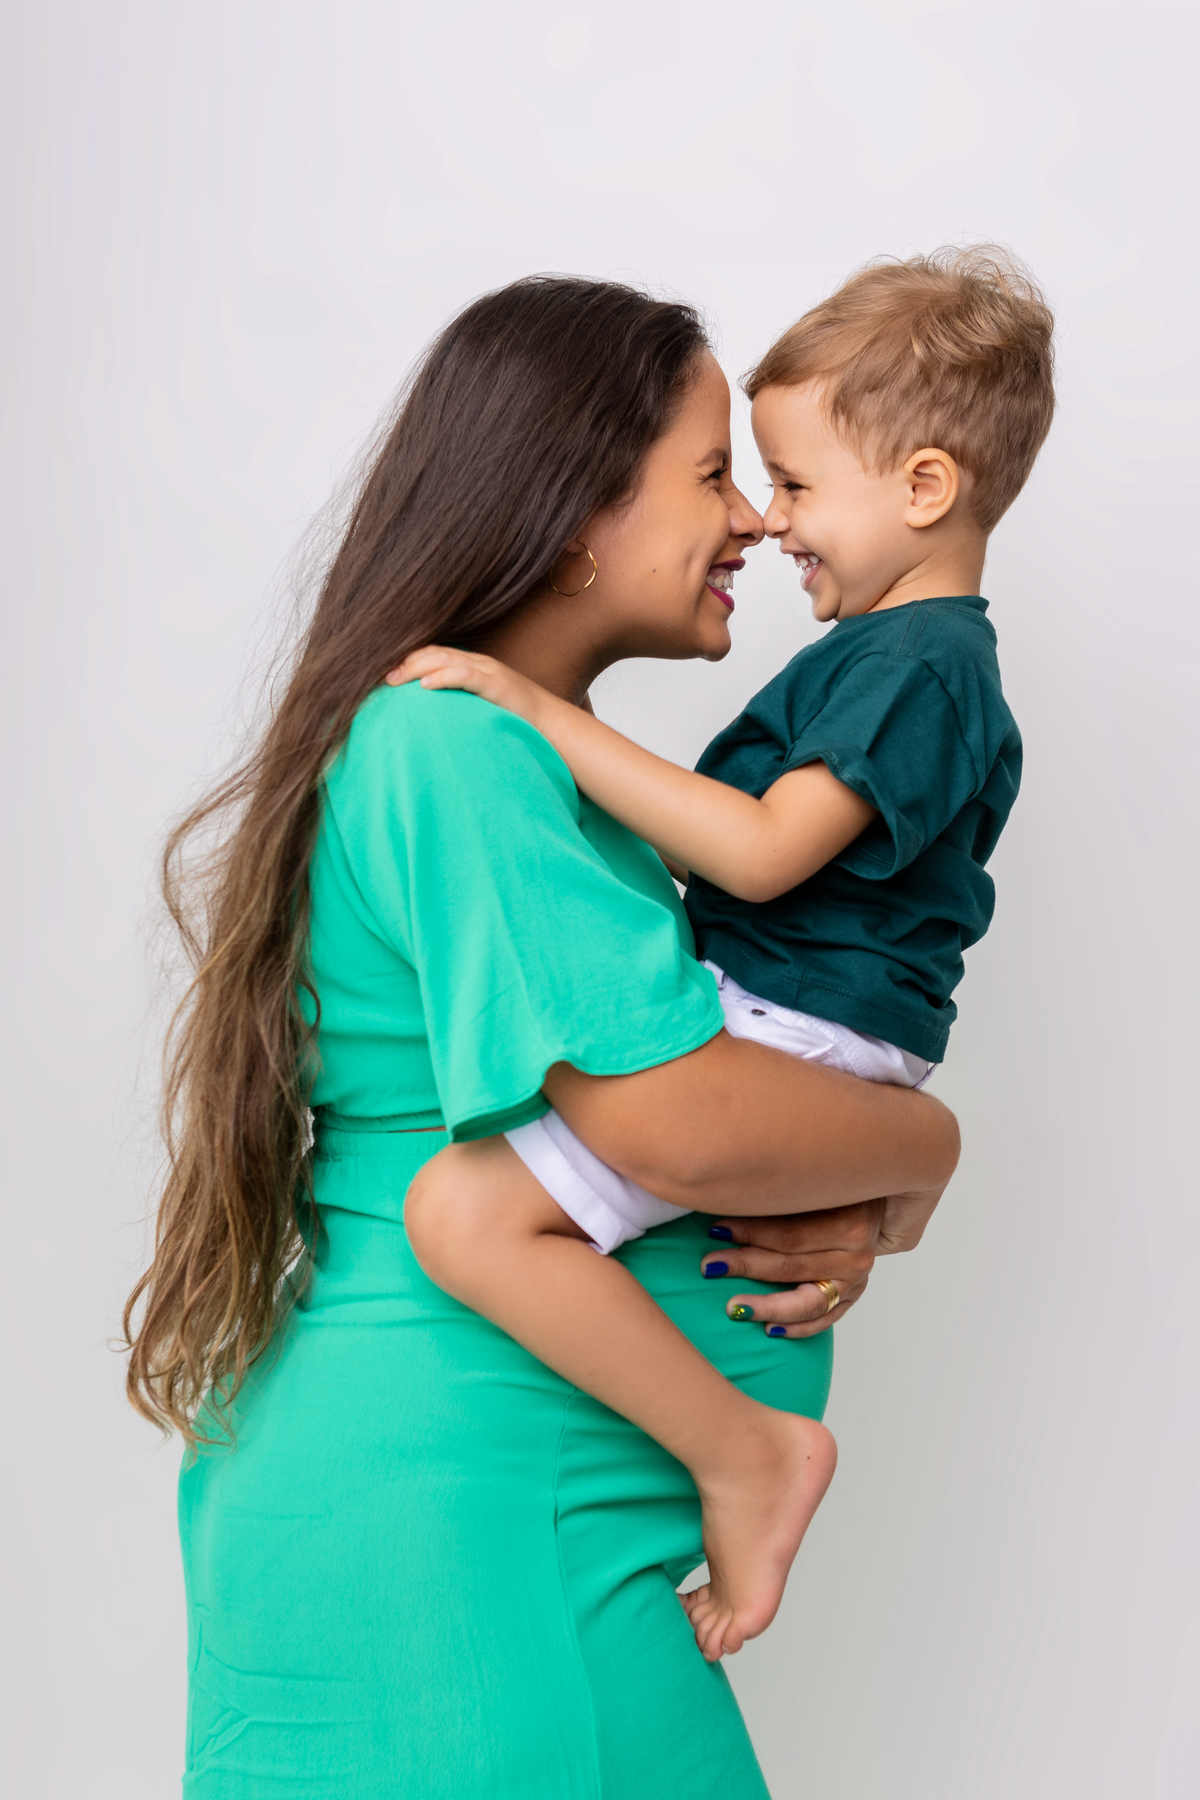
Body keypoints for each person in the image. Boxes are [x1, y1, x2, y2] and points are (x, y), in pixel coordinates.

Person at [124, 275, 959, 1799]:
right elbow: (671, 1123)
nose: (758, 524)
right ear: (578, 509)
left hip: (500, 1513)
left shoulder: (498, 760)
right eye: (713, 474)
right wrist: (930, 1146)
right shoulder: (460, 749)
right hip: (468, 1525)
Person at [390, 247, 1055, 1664]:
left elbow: (751, 853)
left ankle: (748, 1456)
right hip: (793, 1022)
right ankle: (742, 1450)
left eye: (794, 485)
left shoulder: (922, 663)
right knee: (470, 1215)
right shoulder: (898, 657)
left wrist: (543, 715)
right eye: (730, 479)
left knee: (468, 1218)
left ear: (924, 490)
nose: (769, 518)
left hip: (800, 1025)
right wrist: (895, 1162)